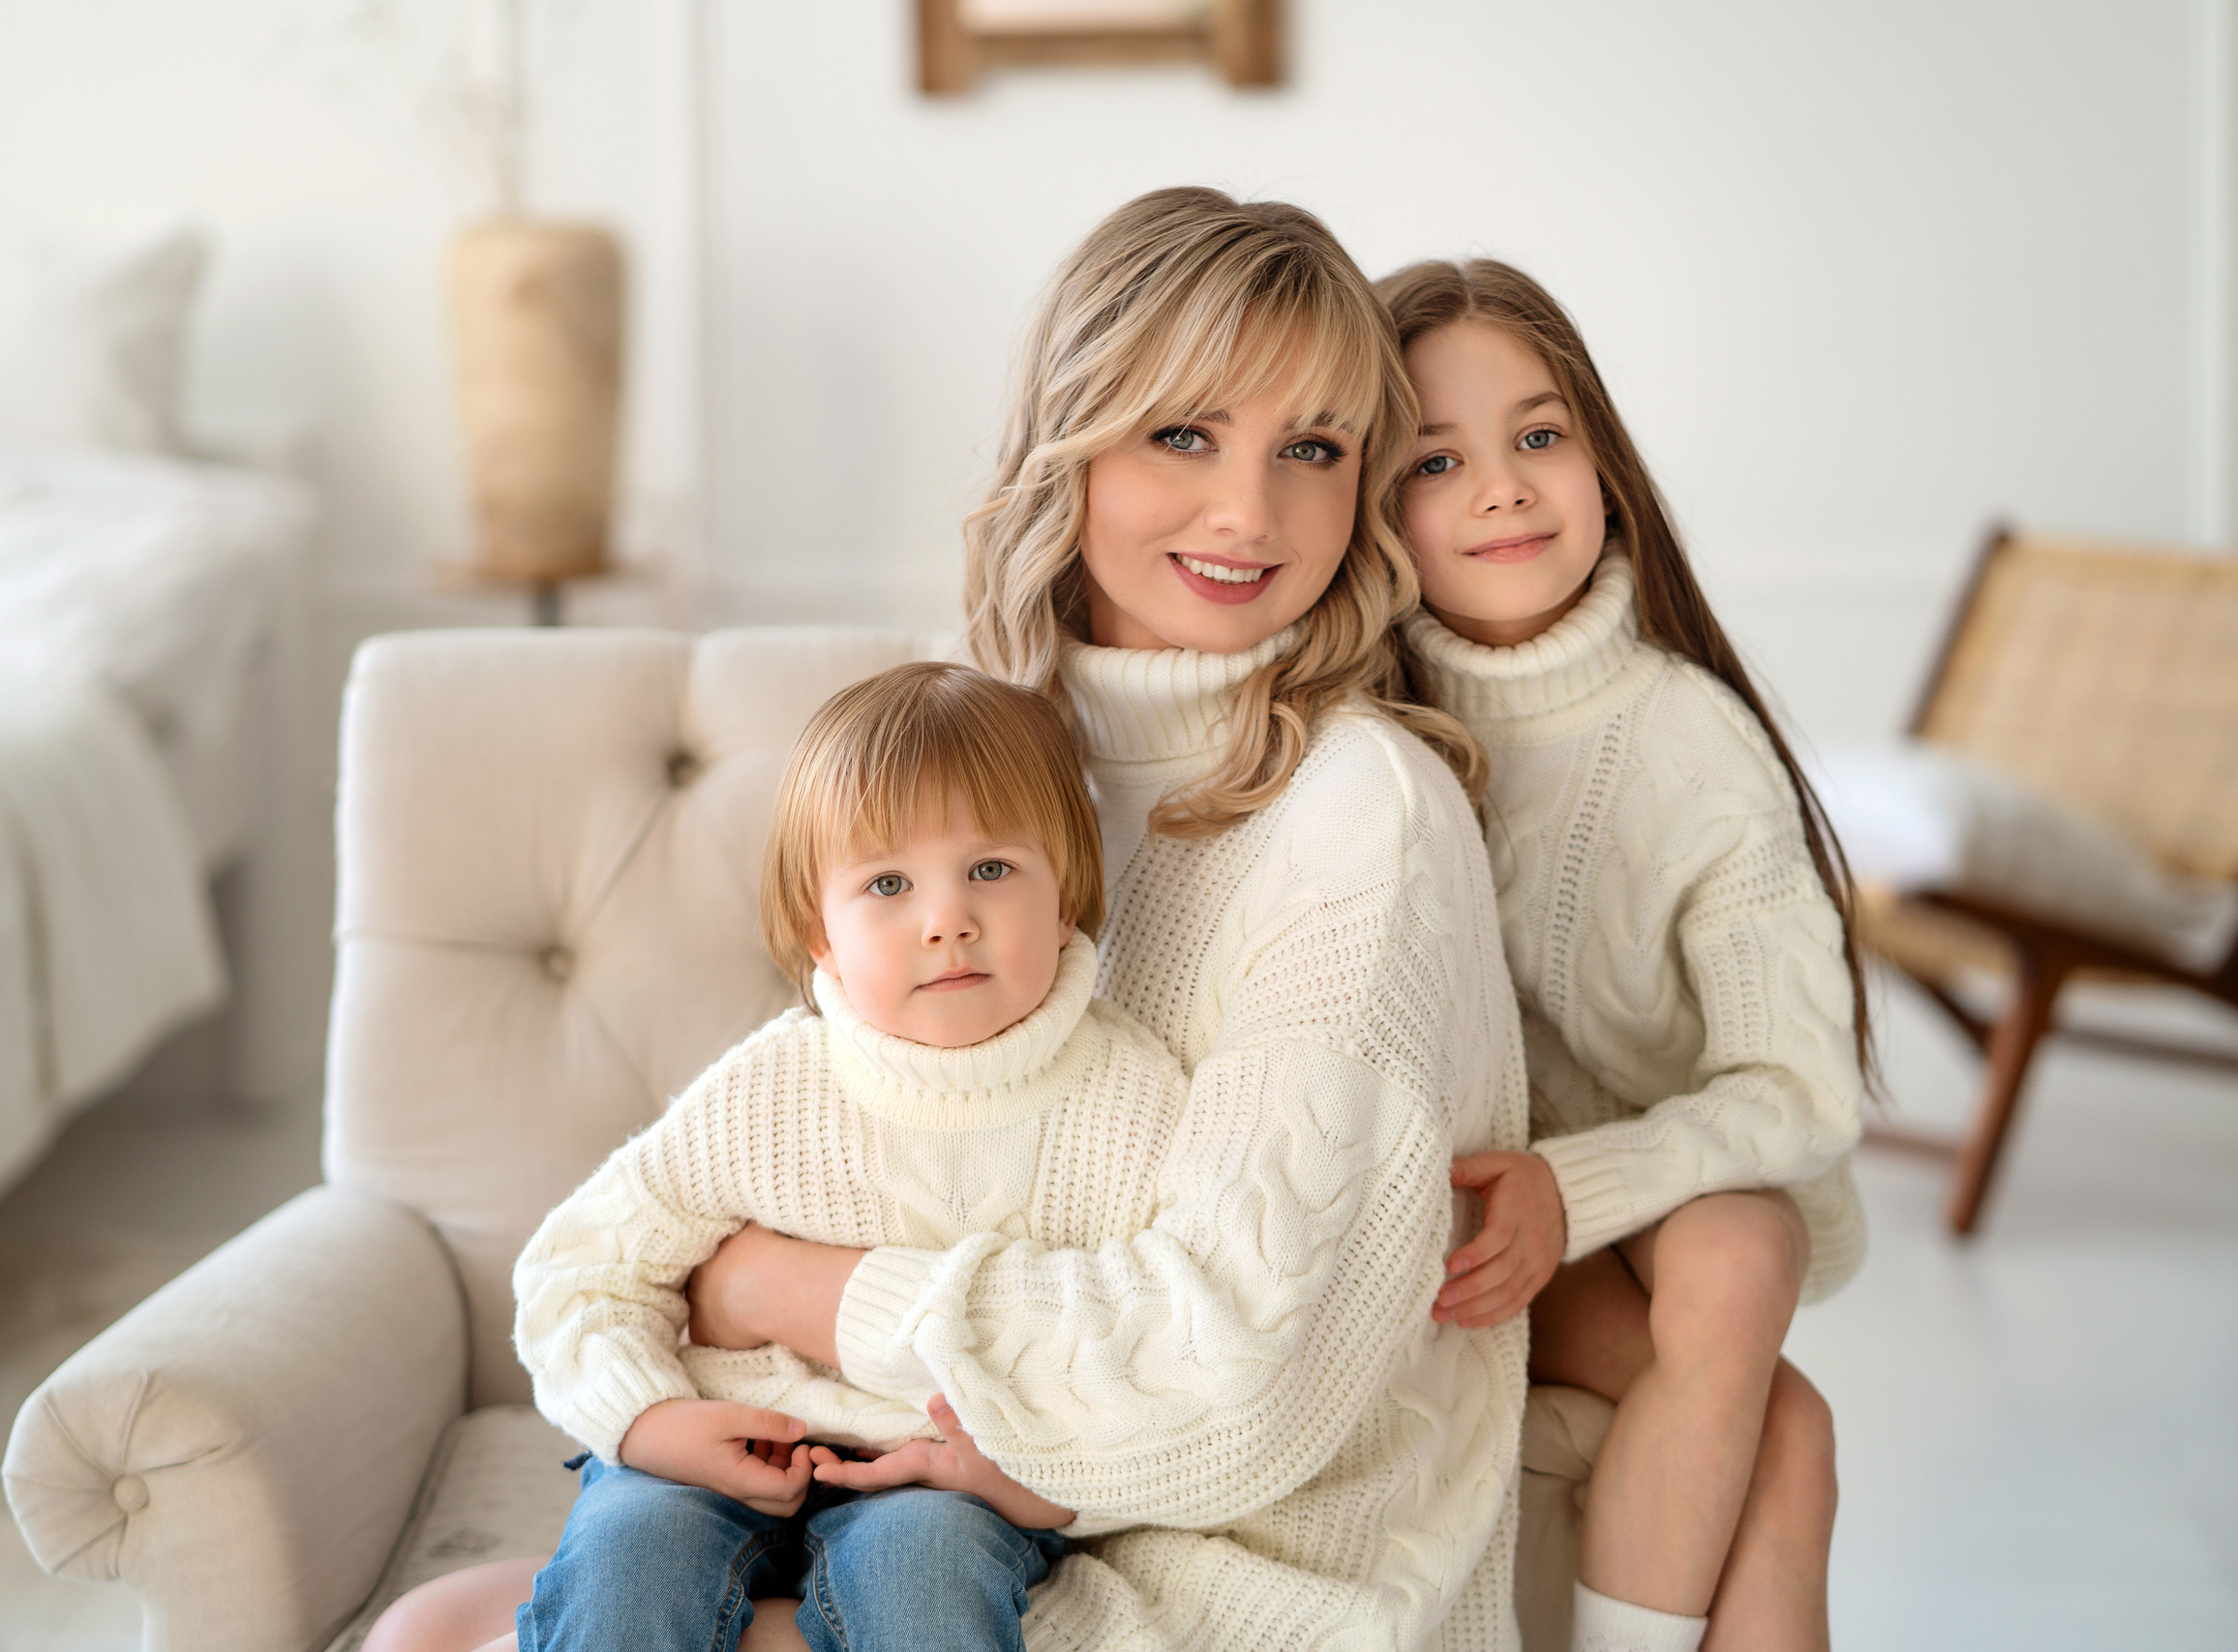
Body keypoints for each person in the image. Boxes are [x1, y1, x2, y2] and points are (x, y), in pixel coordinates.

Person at [374, 186, 1530, 1652]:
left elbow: (1235, 1371)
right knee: (455, 1621)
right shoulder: (998, 740)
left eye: (1311, 448)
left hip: (1225, 1534)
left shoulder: (1363, 808)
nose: (1250, 512)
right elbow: (848, 1122)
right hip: (948, 1467)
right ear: (1074, 436)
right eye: (1184, 432)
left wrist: (786, 1285)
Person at [494, 660, 1206, 1652]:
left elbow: (1161, 1349)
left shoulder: (1134, 1104)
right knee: (629, 1564)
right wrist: (649, 1419)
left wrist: (1032, 1482)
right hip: (717, 1436)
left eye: (991, 870)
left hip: (947, 1480)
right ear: (816, 936)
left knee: (926, 1582)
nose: (945, 918)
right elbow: (578, 1272)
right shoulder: (772, 1088)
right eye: (887, 884)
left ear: (1068, 891)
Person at [1376, 256, 1867, 1652]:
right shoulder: (1365, 725)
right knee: (1796, 1427)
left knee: (1741, 1241)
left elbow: (1805, 1083)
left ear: (1602, 455)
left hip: (1634, 1199)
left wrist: (1576, 1184)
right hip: (1450, 1209)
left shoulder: (1687, 737)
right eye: (1436, 458)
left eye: (1540, 434)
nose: (1505, 488)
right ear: (1373, 501)